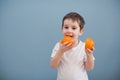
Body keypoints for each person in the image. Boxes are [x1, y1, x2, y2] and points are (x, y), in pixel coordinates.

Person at [50, 12, 95, 80]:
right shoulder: (59, 46)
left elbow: (89, 68)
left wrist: (89, 55)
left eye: (74, 28)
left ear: (81, 31)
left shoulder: (83, 47)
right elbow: (53, 65)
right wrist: (61, 51)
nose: (69, 30)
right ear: (62, 29)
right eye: (66, 27)